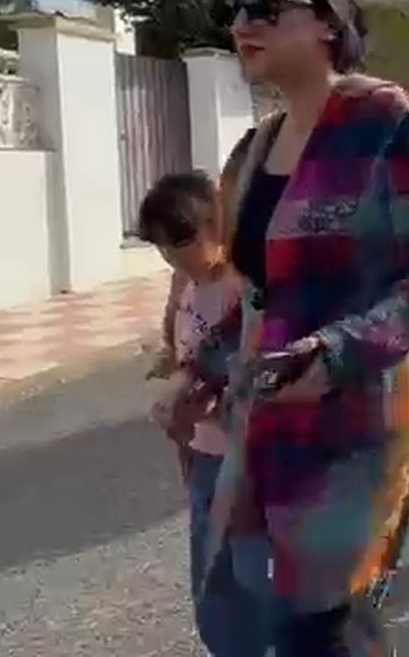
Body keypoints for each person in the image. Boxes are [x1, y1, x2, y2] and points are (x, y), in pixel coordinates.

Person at [197, 0, 409, 655]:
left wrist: (338, 350)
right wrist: (194, 373)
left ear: (325, 20)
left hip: (356, 425)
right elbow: (250, 291)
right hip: (264, 421)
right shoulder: (251, 151)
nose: (240, 26)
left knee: (324, 621)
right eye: (232, 10)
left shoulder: (388, 122)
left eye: (262, 6)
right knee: (254, 610)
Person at [141, 171, 273, 657]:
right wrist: (170, 361)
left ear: (216, 224)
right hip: (201, 454)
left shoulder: (244, 288)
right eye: (161, 248)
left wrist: (210, 400)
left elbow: (259, 368)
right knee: (211, 574)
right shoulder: (186, 284)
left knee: (254, 568)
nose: (173, 257)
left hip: (247, 458)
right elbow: (182, 340)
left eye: (181, 242)